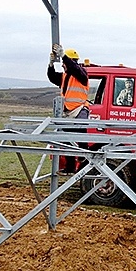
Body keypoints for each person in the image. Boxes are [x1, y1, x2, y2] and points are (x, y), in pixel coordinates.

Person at [47, 44, 90, 174]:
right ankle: (70, 167)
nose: (63, 65)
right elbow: (52, 77)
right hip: (68, 112)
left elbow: (75, 68)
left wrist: (63, 56)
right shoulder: (65, 77)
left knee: (80, 130)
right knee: (66, 139)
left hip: (80, 109)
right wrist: (50, 65)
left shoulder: (81, 74)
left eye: (64, 63)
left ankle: (83, 155)